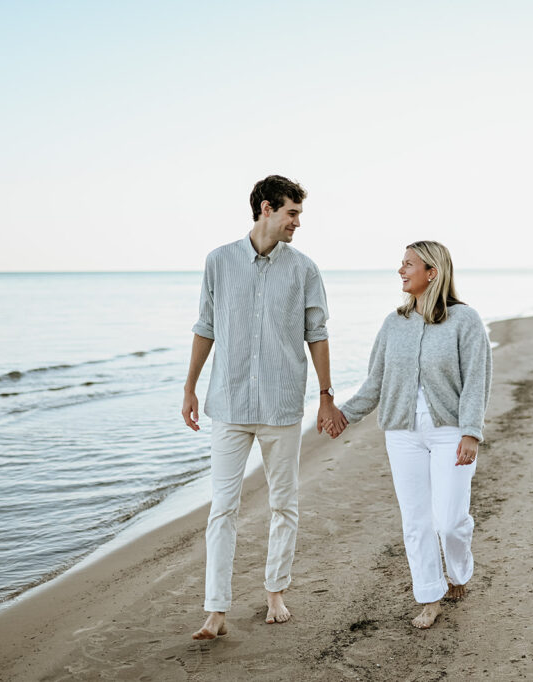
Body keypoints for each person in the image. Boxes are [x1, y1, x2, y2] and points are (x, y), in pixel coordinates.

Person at [182, 175, 348, 640]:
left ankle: (275, 592)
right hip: (229, 404)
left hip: (281, 405)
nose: (298, 223)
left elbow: (317, 333)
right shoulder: (218, 262)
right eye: (292, 213)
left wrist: (326, 395)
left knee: (284, 505)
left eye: (299, 215)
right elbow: (205, 325)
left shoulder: (304, 269)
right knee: (222, 508)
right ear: (266, 208)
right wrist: (190, 387)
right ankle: (216, 610)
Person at [330, 240, 492, 629]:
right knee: (416, 520)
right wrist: (344, 415)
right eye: (400, 264)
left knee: (450, 520)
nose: (400, 271)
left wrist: (471, 433)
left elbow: (476, 382)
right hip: (402, 432)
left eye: (408, 265)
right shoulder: (394, 323)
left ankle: (458, 571)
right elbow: (376, 381)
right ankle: (429, 595)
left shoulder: (465, 321)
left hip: (450, 431)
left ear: (431, 272)